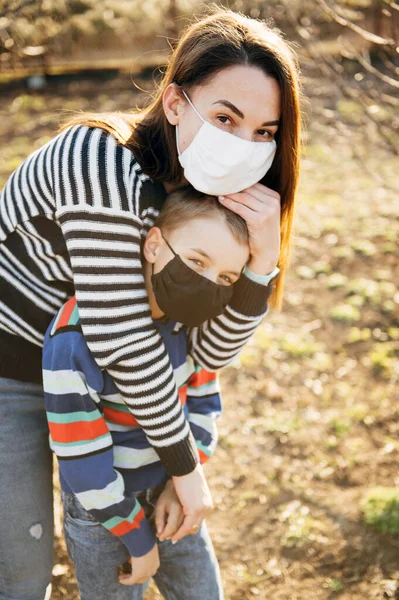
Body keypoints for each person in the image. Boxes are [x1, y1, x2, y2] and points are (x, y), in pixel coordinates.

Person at [0, 8, 302, 599]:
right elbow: (123, 340)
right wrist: (188, 472)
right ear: (173, 104)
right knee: (21, 571)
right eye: (224, 117)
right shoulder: (99, 162)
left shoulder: (197, 190)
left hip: (94, 381)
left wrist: (261, 265)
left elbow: (205, 346)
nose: (244, 145)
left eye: (264, 132)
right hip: (11, 370)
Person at [43, 186, 254, 599]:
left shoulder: (191, 324)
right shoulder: (77, 334)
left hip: (175, 493)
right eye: (196, 261)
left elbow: (205, 403)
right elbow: (81, 459)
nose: (207, 284)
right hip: (102, 513)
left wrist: (182, 482)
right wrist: (137, 539)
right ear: (154, 244)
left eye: (226, 278)